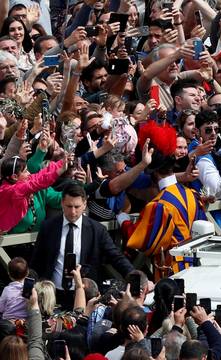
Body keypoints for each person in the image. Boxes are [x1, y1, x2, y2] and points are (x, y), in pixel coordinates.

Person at [122, 121, 207, 279]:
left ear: (153, 174)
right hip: (197, 267)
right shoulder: (192, 194)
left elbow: (144, 242)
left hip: (172, 271)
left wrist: (123, 221)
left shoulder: (160, 205)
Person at [31, 183, 134, 307]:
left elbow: (116, 257)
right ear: (62, 203)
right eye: (69, 206)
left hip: (85, 296)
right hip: (52, 296)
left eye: (77, 206)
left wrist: (136, 277)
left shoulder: (97, 230)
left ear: (85, 204)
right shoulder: (48, 227)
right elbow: (36, 262)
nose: (73, 212)